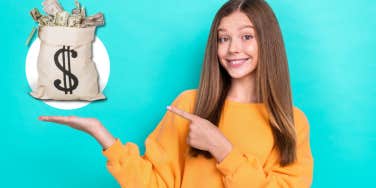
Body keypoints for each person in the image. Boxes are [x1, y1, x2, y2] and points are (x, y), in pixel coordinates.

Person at [39, 0, 314, 187]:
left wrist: (222, 148)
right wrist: (103, 137)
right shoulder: (190, 105)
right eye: (223, 38)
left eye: (247, 36)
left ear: (268, 41)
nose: (232, 49)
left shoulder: (291, 122)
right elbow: (155, 183)